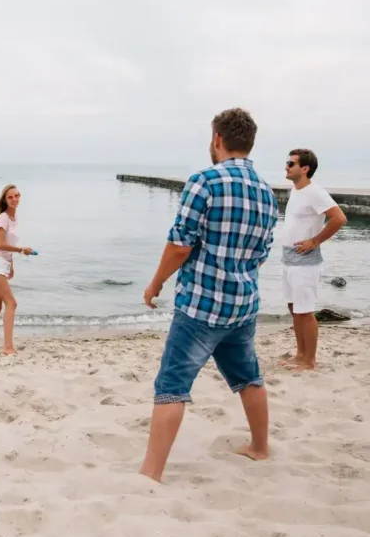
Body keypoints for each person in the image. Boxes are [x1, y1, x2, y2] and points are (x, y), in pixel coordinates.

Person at [139, 108, 278, 483]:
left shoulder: (205, 180)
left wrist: (156, 284)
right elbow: (262, 253)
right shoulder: (267, 192)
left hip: (201, 304)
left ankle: (151, 473)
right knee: (249, 376)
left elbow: (180, 244)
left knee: (171, 385)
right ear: (248, 143)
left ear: (217, 139)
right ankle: (260, 449)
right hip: (243, 304)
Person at [279, 148, 348, 371]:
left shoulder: (315, 192)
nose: (286, 167)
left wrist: (315, 240)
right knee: (293, 307)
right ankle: (300, 354)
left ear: (305, 168)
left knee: (304, 310)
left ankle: (309, 360)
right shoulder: (295, 191)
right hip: (289, 259)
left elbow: (339, 218)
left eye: (291, 163)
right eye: (287, 163)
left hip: (305, 262)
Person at [0, 184, 33, 355]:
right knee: (12, 303)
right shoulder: (3, 217)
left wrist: (11, 265)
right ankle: (8, 347)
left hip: (2, 265)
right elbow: (0, 244)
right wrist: (21, 250)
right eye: (10, 197)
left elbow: (8, 245)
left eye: (17, 196)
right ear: (5, 200)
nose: (14, 199)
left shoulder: (14, 218)